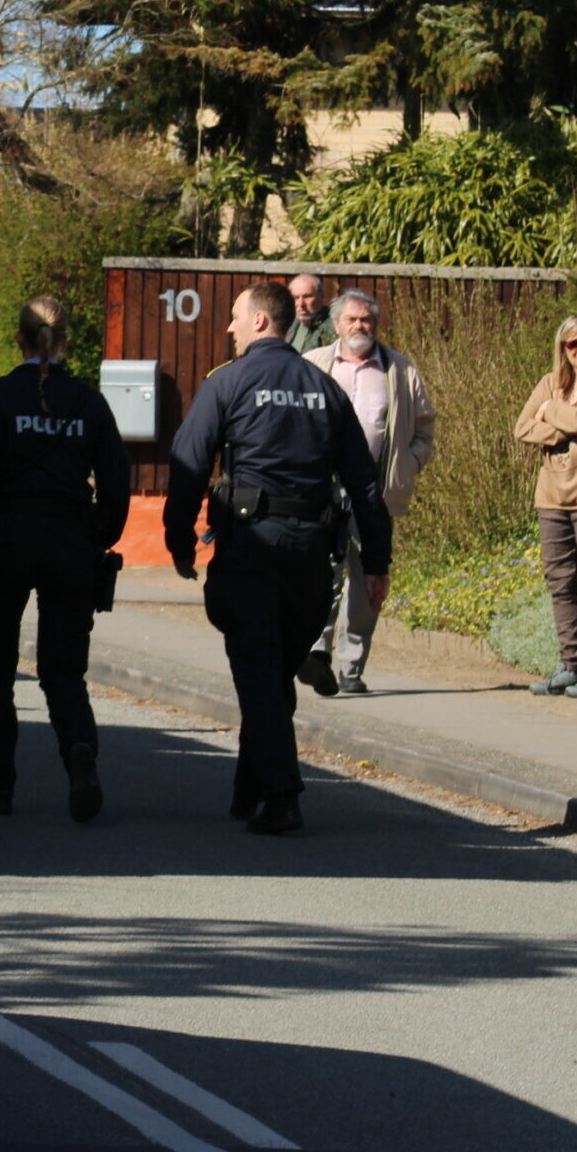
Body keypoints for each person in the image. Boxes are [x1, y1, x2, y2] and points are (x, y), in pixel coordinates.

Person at [164, 281, 391, 835]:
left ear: (262, 322)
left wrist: (178, 538)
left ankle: (284, 795)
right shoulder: (325, 388)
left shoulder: (229, 383)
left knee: (261, 673)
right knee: (271, 672)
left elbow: (189, 464)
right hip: (312, 558)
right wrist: (379, 563)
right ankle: (251, 790)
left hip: (251, 550)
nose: (229, 328)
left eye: (236, 318)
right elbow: (365, 485)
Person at [0, 298, 129, 823]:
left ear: (20, 339)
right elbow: (116, 481)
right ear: (64, 344)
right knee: (65, 671)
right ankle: (79, 751)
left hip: (5, 541)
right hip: (69, 545)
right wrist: (99, 537)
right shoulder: (88, 403)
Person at [300, 290, 434, 695]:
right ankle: (315, 653)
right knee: (320, 572)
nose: (361, 327)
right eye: (353, 320)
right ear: (337, 325)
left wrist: (406, 465)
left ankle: (352, 667)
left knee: (367, 579)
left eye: (367, 320)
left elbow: (425, 429)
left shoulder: (400, 370)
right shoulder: (313, 365)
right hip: (322, 489)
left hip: (373, 491)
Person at [516, 316, 577, 697]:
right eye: (572, 344)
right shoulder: (549, 383)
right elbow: (522, 428)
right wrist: (566, 430)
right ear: (562, 348)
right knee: (559, 581)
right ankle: (570, 663)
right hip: (550, 497)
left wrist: (550, 414)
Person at [286, 272, 335, 354]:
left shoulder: (335, 326)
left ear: (321, 296)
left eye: (307, 296)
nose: (301, 304)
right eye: (296, 298)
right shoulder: (287, 324)